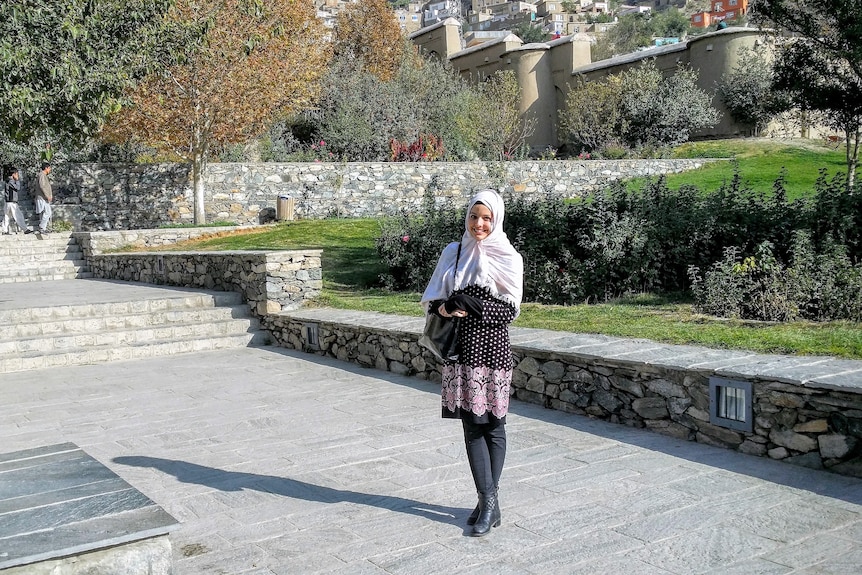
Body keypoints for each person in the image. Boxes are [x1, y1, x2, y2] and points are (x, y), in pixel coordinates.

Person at [421, 189, 524, 537]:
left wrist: (472, 303)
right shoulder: (454, 252)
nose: (479, 224)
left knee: (493, 425)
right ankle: (489, 501)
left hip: (493, 351)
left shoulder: (509, 257)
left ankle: (487, 504)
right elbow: (433, 302)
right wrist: (448, 307)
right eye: (473, 216)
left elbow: (509, 311)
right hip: (460, 351)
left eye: (486, 218)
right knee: (470, 426)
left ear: (496, 220)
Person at [3, 168, 32, 234]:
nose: (17, 175)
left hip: (8, 202)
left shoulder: (8, 180)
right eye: (17, 174)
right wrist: (17, 180)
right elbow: (17, 188)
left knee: (7, 216)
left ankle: (5, 230)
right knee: (18, 215)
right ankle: (25, 229)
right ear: (14, 174)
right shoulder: (11, 181)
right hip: (12, 202)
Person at [34, 161, 53, 234]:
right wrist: (47, 195)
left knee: (46, 212)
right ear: (46, 168)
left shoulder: (43, 175)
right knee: (47, 212)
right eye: (49, 168)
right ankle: (42, 227)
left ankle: (43, 227)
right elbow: (42, 186)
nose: (50, 170)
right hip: (42, 197)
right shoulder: (42, 175)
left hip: (43, 197)